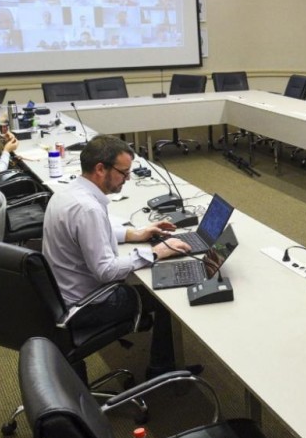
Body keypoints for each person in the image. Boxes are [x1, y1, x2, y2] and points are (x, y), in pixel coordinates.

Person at [42, 135, 199, 379]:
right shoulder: (88, 209)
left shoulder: (68, 194)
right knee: (163, 298)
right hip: (85, 306)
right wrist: (155, 252)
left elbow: (92, 233)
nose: (127, 179)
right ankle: (162, 370)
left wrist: (136, 234)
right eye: (124, 173)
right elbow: (106, 271)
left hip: (59, 297)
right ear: (100, 169)